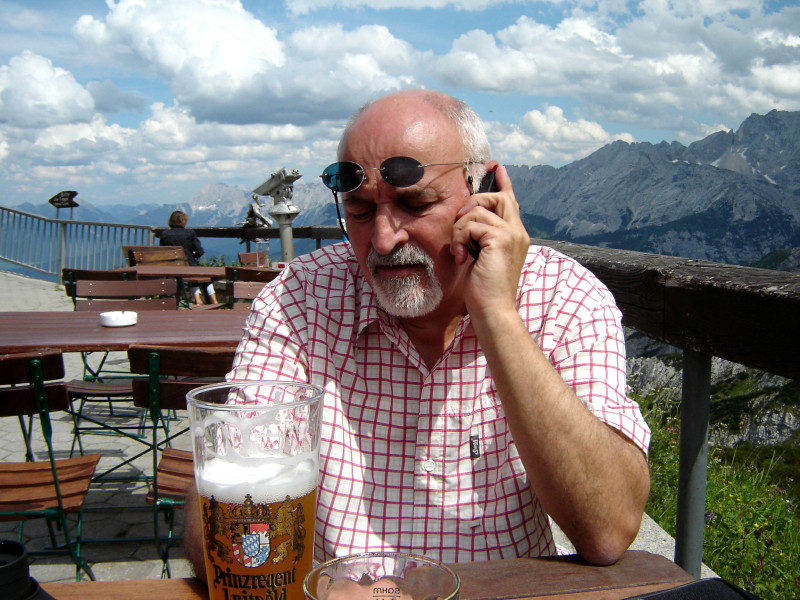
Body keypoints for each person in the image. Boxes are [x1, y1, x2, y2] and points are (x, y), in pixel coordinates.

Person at [184, 90, 651, 578]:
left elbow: (607, 529)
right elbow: (225, 499)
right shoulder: (300, 299)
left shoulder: (563, 295)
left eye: (416, 203)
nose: (384, 239)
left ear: (486, 191)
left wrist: (496, 313)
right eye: (360, 212)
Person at [159, 210, 218, 304]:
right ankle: (213, 300)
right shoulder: (190, 233)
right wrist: (193, 255)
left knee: (194, 273)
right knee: (204, 275)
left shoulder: (165, 235)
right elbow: (200, 251)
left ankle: (198, 299)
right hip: (190, 266)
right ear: (183, 221)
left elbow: (162, 253)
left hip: (171, 270)